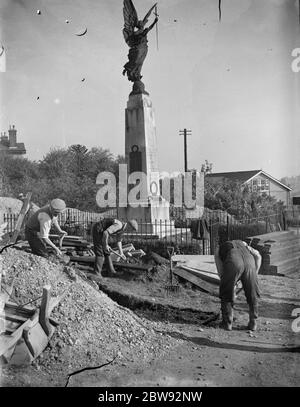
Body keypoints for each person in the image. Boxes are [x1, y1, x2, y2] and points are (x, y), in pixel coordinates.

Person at [214, 239, 262, 331]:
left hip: (233, 261)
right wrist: (254, 275)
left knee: (226, 292)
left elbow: (221, 274)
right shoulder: (246, 245)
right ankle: (253, 323)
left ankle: (227, 323)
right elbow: (258, 256)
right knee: (252, 293)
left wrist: (231, 287)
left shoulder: (218, 249)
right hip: (250, 261)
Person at [123, 1, 158, 82]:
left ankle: (136, 74)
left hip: (144, 48)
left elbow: (147, 18)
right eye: (141, 23)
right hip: (138, 47)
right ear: (139, 25)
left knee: (140, 62)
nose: (142, 23)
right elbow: (148, 23)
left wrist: (155, 20)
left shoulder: (143, 30)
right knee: (136, 60)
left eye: (142, 23)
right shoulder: (136, 32)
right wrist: (154, 21)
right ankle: (130, 71)